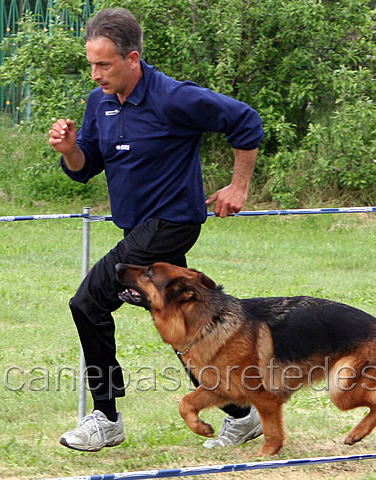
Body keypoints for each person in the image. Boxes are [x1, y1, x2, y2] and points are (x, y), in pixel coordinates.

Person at [48, 7, 264, 453]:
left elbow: (246, 121)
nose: (96, 74)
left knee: (87, 302)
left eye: (104, 64)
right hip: (138, 227)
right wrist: (70, 149)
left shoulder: (174, 97)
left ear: (132, 58)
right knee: (180, 325)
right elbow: (85, 166)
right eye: (91, 63)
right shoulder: (100, 102)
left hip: (172, 224)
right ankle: (242, 415)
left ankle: (106, 417)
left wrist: (238, 185)